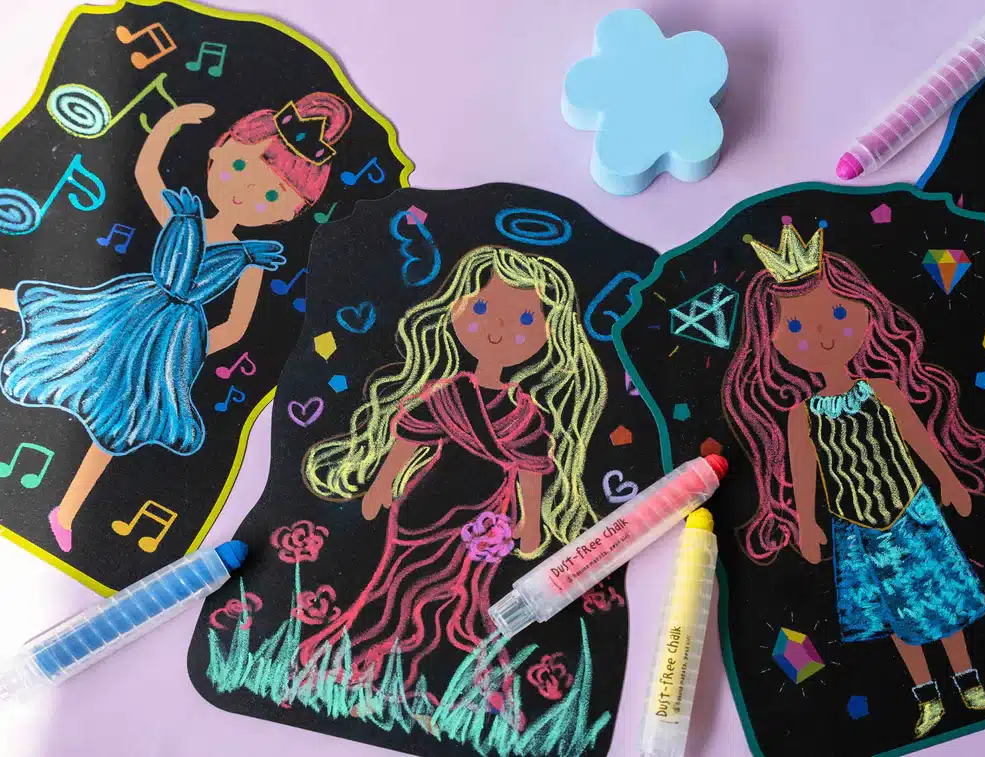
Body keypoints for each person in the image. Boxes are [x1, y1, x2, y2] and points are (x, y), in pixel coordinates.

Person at [0, 92, 352, 552]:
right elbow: (146, 174)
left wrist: (185, 351)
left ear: (289, 212)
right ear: (217, 152)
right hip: (131, 307)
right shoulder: (184, 215)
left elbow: (237, 327)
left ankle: (65, 512)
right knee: (62, 320)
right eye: (240, 166)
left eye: (271, 194)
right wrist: (170, 124)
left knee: (121, 419)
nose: (245, 192)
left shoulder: (249, 259)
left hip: (170, 345)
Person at [723, 219, 985, 738]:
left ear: (866, 311)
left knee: (942, 602)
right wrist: (806, 524)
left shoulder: (881, 389)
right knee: (895, 614)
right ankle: (928, 698)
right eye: (797, 328)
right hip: (857, 527)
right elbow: (804, 470)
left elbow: (918, 437)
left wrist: (949, 479)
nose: (822, 335)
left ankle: (969, 685)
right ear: (772, 341)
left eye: (838, 314)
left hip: (912, 511)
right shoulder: (802, 414)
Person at [298, 246, 606, 693]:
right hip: (426, 503)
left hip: (487, 520)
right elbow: (410, 437)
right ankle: (362, 660)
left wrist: (531, 523)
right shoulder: (448, 393)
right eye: (482, 309)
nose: (497, 328)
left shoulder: (524, 413)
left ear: (550, 332)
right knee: (392, 583)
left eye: (525, 319)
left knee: (463, 598)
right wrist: (382, 484)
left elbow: (531, 469)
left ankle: (433, 678)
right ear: (456, 308)